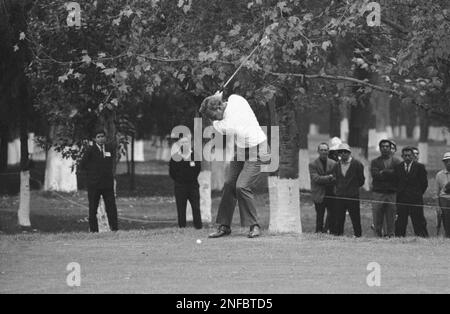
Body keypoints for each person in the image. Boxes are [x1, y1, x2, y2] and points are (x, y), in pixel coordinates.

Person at [199, 92, 267, 238]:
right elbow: (225, 98)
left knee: (241, 186)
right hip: (242, 149)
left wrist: (214, 102)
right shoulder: (236, 99)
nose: (212, 120)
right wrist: (215, 97)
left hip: (257, 149)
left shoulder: (228, 123)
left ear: (218, 109)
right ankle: (224, 226)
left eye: (212, 116)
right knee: (229, 183)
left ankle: (254, 226)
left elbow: (219, 127)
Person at [79, 128, 118, 232]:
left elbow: (111, 164)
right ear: (94, 139)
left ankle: (114, 229)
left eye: (102, 136)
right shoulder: (90, 150)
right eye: (98, 137)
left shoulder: (109, 148)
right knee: (93, 208)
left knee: (111, 208)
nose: (101, 139)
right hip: (94, 185)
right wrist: (91, 176)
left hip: (107, 184)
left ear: (105, 137)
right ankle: (94, 230)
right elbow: (82, 165)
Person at [394, 146, 429, 237]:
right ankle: (399, 240)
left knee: (419, 222)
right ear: (402, 156)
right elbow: (396, 182)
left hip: (415, 200)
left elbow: (424, 184)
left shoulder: (420, 167)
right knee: (400, 223)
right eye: (405, 155)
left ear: (413, 156)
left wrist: (417, 194)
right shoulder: (398, 167)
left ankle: (422, 240)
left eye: (409, 155)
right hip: (401, 200)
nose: (407, 157)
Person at [169, 136, 202, 229]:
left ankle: (198, 227)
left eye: (186, 142)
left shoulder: (195, 156)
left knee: (196, 207)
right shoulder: (175, 157)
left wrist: (190, 178)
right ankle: (182, 227)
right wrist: (180, 180)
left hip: (193, 186)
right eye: (182, 143)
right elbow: (172, 172)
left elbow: (197, 169)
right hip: (180, 186)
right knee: (181, 208)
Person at [370, 139, 401, 237]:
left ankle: (391, 236)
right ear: (380, 148)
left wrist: (383, 172)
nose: (385, 148)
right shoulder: (375, 161)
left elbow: (397, 175)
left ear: (390, 148)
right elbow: (376, 175)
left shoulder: (397, 161)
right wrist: (389, 173)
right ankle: (377, 236)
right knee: (377, 216)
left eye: (387, 146)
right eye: (383, 146)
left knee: (391, 217)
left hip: (391, 193)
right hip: (378, 193)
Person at [333, 143, 365, 237]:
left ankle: (358, 236)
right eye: (341, 152)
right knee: (339, 218)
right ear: (339, 154)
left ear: (349, 153)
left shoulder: (357, 164)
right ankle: (338, 236)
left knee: (355, 218)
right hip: (339, 196)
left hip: (352, 196)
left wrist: (352, 188)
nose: (343, 154)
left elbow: (361, 181)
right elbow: (335, 179)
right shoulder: (336, 165)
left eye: (345, 152)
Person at [309, 143, 337, 233]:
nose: (324, 152)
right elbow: (316, 179)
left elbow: (336, 178)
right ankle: (319, 233)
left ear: (328, 151)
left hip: (331, 193)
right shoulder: (312, 164)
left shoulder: (334, 163)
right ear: (318, 151)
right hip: (319, 194)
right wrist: (329, 177)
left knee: (332, 215)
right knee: (320, 216)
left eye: (325, 150)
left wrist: (324, 178)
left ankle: (330, 232)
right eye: (322, 150)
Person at [436, 152, 450, 238]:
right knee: (446, 221)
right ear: (444, 162)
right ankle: (447, 237)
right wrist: (437, 206)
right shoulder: (439, 174)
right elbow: (436, 192)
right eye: (446, 161)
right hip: (444, 200)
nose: (449, 163)